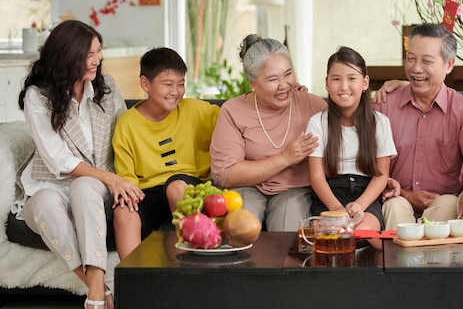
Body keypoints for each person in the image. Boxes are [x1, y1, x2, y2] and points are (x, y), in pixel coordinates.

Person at [13, 20, 143, 309]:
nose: (97, 60)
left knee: (85, 185)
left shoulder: (105, 87)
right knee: (45, 203)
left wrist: (117, 178)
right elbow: (57, 158)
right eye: (88, 54)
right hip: (50, 183)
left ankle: (96, 294)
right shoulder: (39, 96)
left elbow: (125, 131)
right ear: (66, 56)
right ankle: (98, 289)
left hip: (97, 187)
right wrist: (111, 179)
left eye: (99, 51)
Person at [373, 23, 463, 229]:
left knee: (449, 203)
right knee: (395, 205)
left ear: (449, 64)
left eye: (426, 61)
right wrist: (404, 194)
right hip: (395, 197)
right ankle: (401, 260)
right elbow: (364, 162)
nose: (415, 68)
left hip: (443, 203)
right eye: (411, 58)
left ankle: (430, 260)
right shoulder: (384, 105)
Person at [210, 35, 328, 231]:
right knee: (240, 228)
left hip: (294, 189)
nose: (284, 85)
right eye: (273, 79)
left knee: (287, 230)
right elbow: (226, 174)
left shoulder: (313, 105)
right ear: (252, 83)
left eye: (288, 74)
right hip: (247, 188)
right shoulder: (233, 111)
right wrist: (285, 158)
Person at [112, 47, 220, 260]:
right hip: (148, 191)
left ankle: (190, 268)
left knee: (175, 186)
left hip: (188, 186)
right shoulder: (127, 123)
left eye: (181, 84)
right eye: (168, 84)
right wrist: (128, 198)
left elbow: (236, 115)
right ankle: (134, 284)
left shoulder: (197, 110)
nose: (176, 91)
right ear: (145, 84)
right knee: (123, 212)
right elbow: (127, 177)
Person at [306, 47, 397, 248]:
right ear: (327, 84)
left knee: (361, 232)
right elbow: (317, 177)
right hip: (330, 195)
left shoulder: (379, 122)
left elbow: (381, 175)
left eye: (352, 79)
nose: (343, 86)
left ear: (365, 83)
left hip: (365, 195)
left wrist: (360, 205)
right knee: (335, 235)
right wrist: (337, 209)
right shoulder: (317, 122)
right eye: (336, 79)